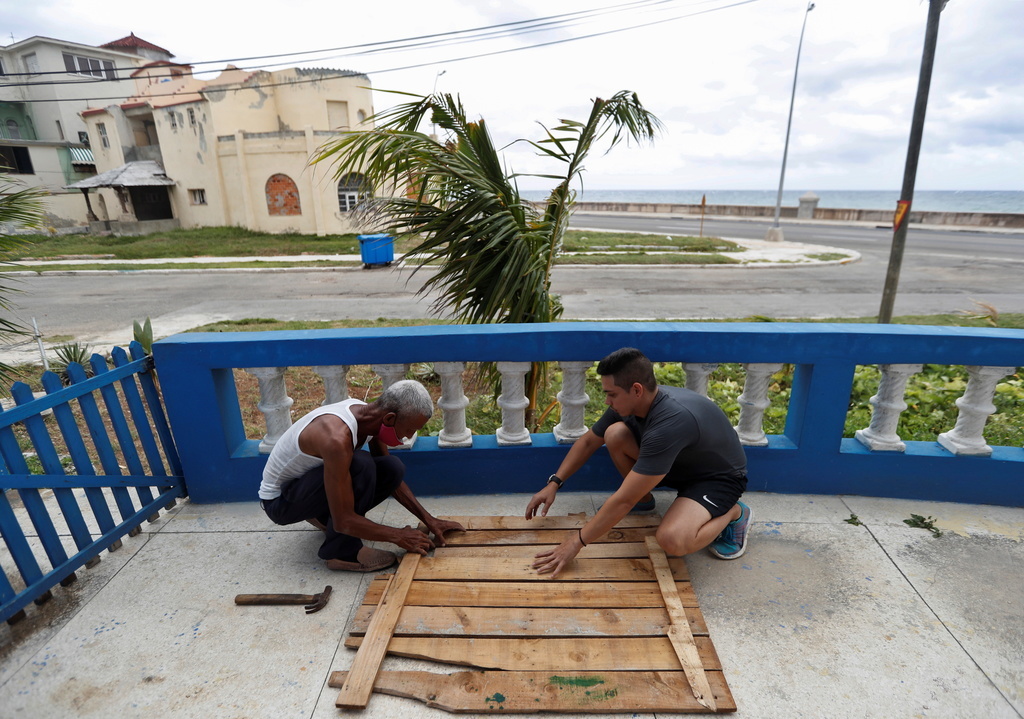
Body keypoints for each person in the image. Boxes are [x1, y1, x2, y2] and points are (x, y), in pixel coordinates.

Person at [526, 347, 751, 577]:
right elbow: (588, 442)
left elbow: (623, 500)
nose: (606, 401)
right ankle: (644, 499)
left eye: (611, 394)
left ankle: (734, 512)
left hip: (717, 479)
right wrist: (554, 483)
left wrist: (575, 543)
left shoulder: (670, 423)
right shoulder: (633, 403)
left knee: (672, 540)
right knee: (614, 434)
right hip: (679, 463)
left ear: (636, 390)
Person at [259, 379, 463, 572]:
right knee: (361, 464)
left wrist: (429, 520)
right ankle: (342, 552)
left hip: (308, 488)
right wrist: (398, 536)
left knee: (392, 467)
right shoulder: (336, 438)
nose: (409, 436)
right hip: (281, 503)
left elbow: (392, 480)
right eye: (409, 429)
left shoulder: (368, 415)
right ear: (390, 418)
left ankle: (322, 516)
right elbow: (344, 521)